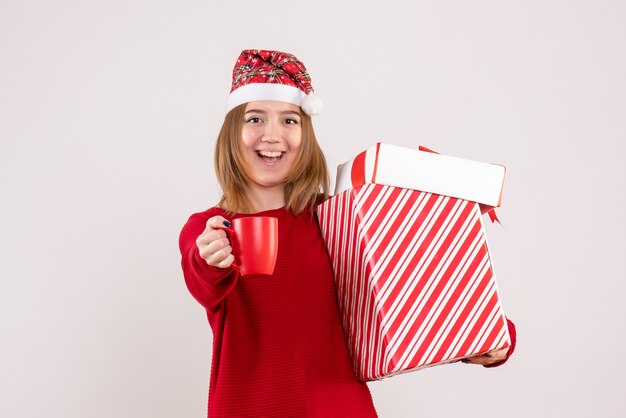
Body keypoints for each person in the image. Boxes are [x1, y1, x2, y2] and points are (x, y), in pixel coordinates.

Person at [178, 49, 515, 418]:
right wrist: (210, 256)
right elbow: (204, 280)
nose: (272, 134)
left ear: (305, 136)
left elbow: (414, 281)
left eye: (289, 121)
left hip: (338, 408)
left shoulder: (338, 217)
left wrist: (493, 334)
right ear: (231, 134)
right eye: (255, 118)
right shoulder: (210, 228)